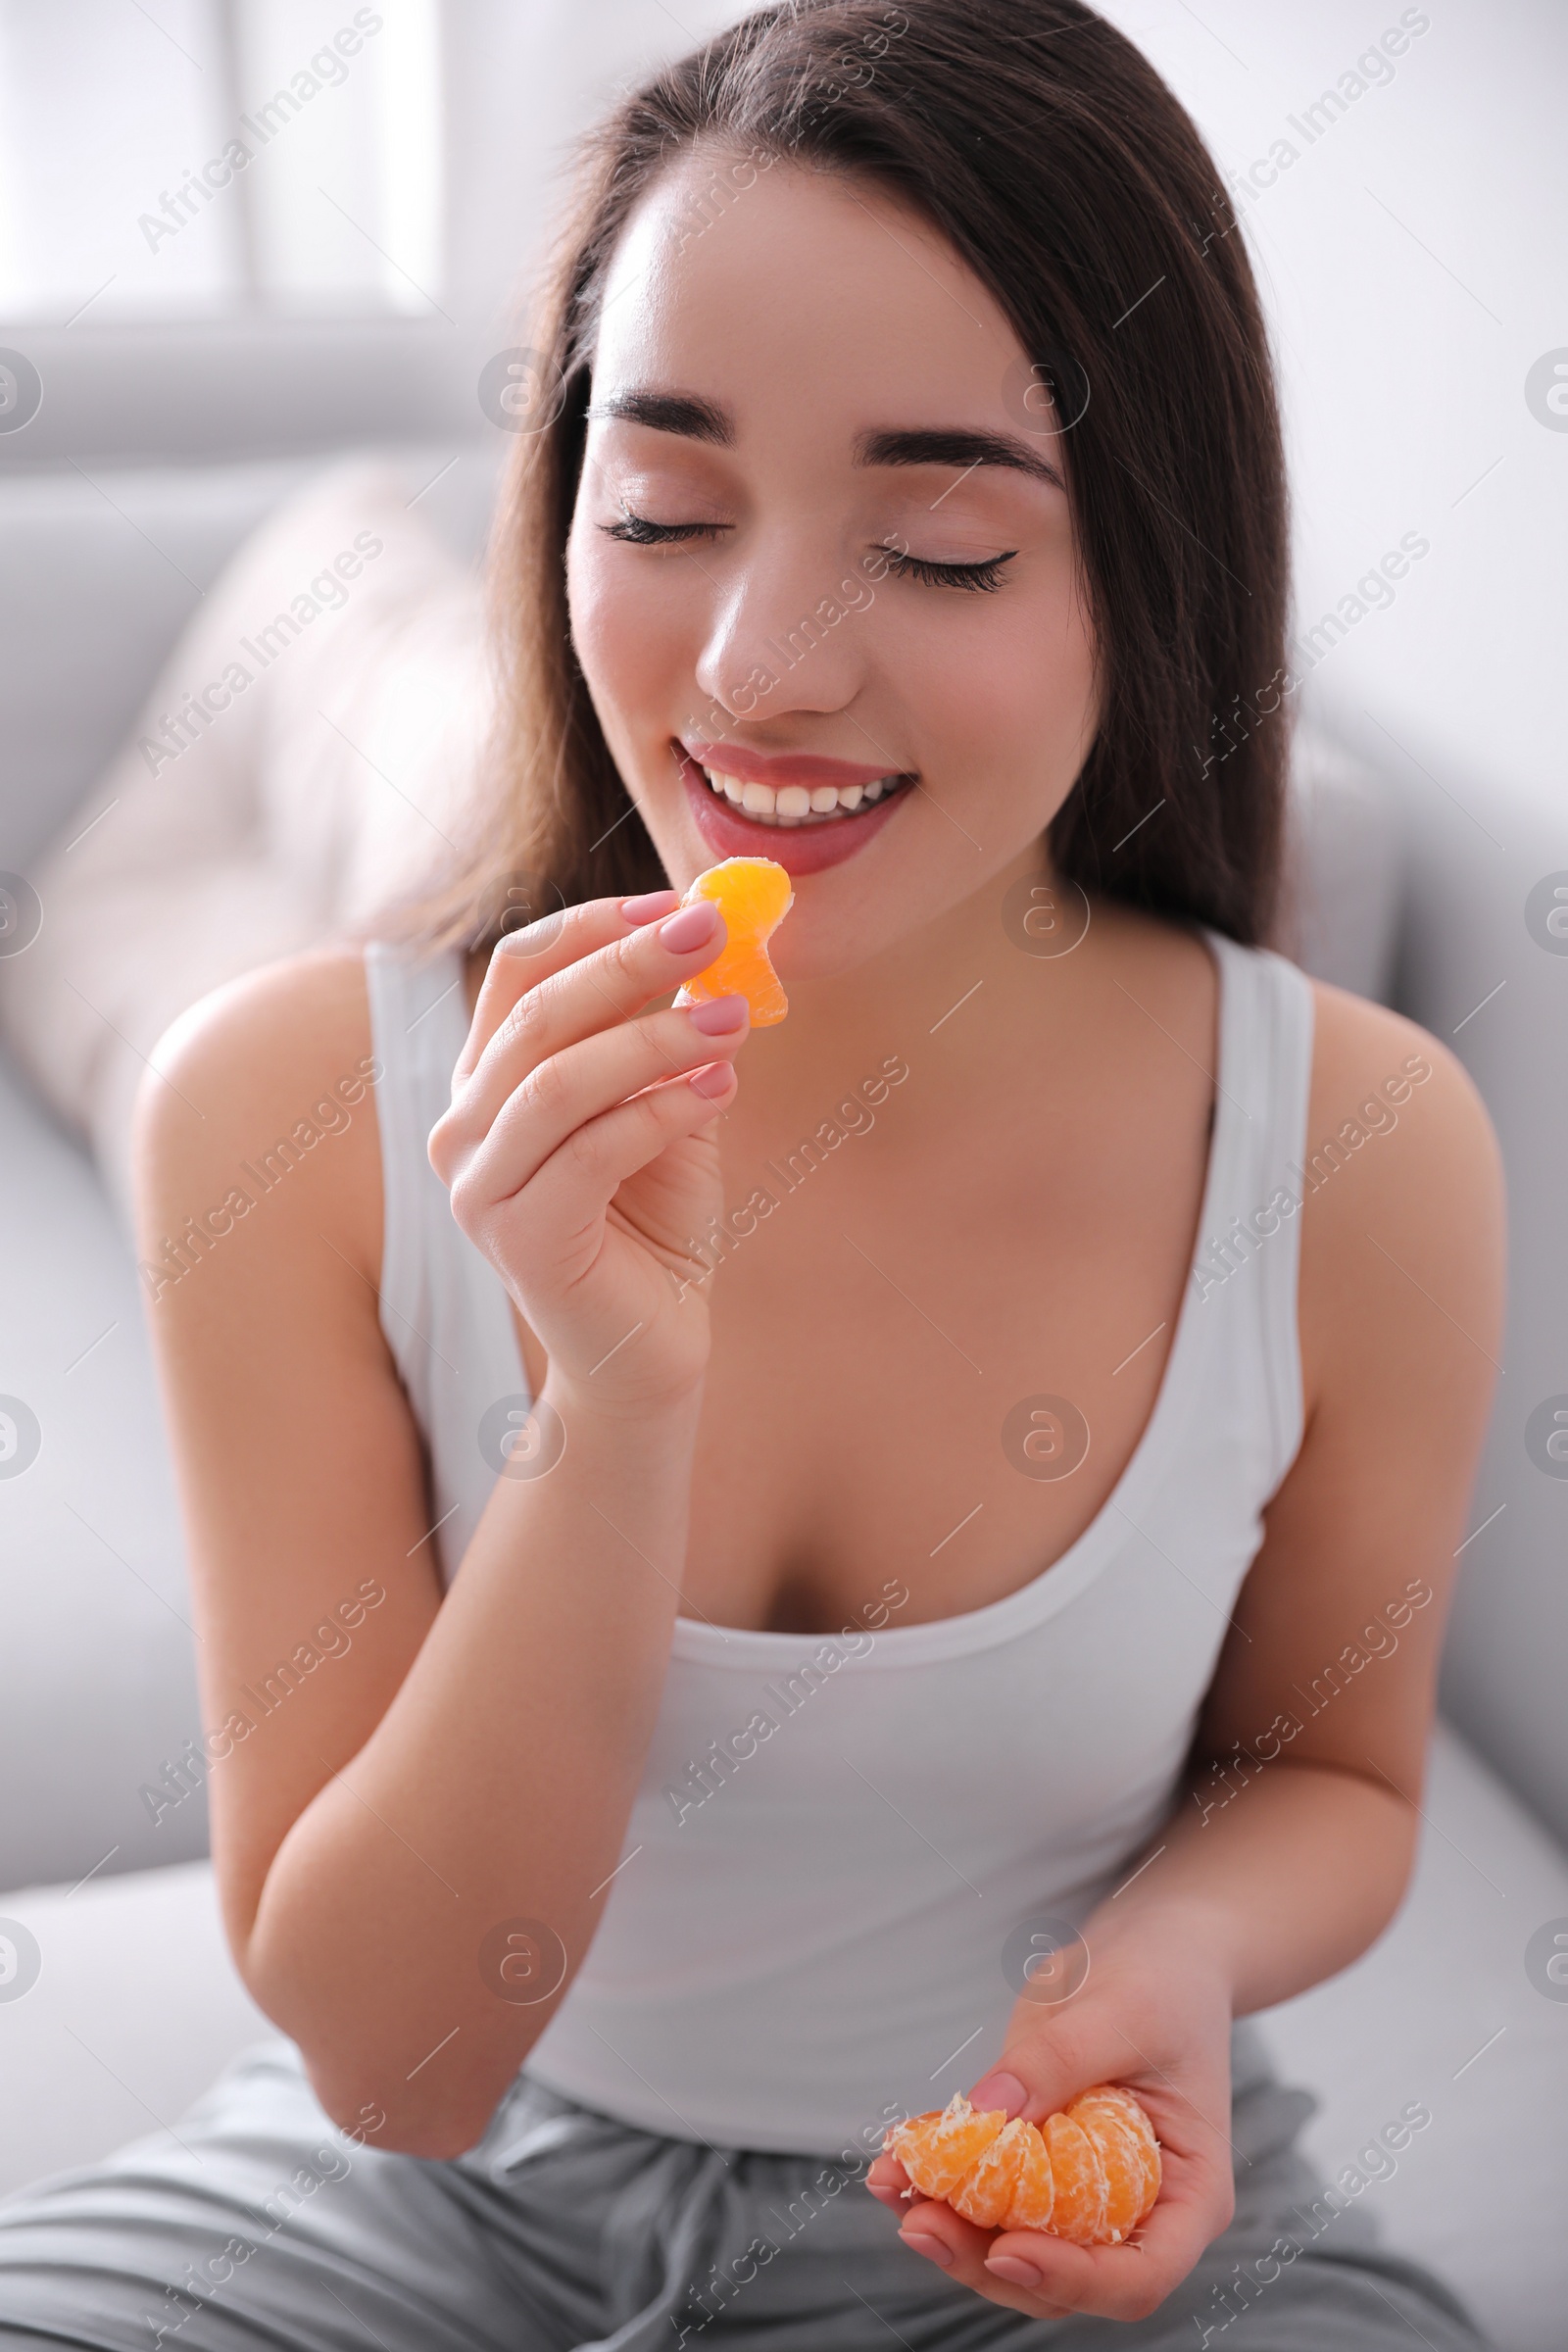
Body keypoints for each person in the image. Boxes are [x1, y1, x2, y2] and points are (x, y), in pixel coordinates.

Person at [0, 2, 1503, 2345]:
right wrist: (605, 1407)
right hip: (423, 2216)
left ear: (1149, 572)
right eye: (665, 511)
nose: (754, 664)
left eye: (934, 544)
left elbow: (1334, 1778)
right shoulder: (278, 1115)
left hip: (1058, 2229)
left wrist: (1161, 1967)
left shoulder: (1361, 1148)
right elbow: (403, 2060)